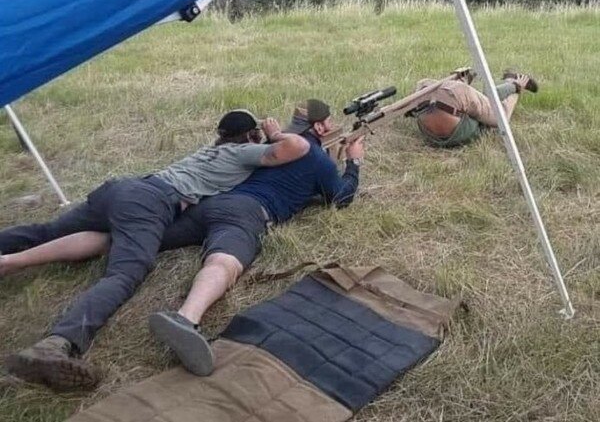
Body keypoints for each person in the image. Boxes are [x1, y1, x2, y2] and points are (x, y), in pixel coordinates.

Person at [1, 109, 309, 390]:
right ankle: (57, 343)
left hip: (120, 189)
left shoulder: (209, 150)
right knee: (125, 274)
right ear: (251, 136)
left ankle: (7, 259)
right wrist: (275, 134)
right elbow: (298, 147)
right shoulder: (243, 153)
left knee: (48, 231)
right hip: (148, 203)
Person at [147, 98, 365, 377]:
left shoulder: (267, 145)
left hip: (210, 204)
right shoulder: (317, 159)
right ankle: (186, 319)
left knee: (150, 237)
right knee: (223, 262)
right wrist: (353, 162)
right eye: (330, 122)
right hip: (246, 213)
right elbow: (340, 198)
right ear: (320, 128)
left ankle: (102, 241)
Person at [409, 70, 539, 148]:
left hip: (428, 124)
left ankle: (511, 83)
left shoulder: (425, 86)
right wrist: (516, 88)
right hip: (455, 120)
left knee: (485, 99)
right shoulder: (477, 126)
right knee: (499, 114)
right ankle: (516, 86)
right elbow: (498, 116)